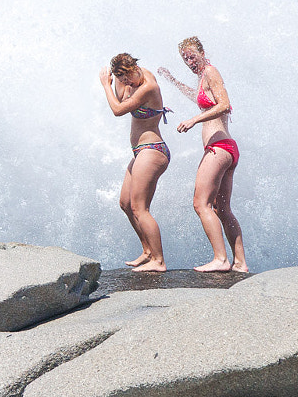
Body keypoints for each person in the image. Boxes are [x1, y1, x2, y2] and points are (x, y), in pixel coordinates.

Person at [159, 37, 247, 273]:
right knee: (222, 209)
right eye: (184, 58)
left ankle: (220, 259)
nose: (189, 61)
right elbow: (200, 98)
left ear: (202, 52)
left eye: (191, 56)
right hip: (226, 148)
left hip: (219, 149)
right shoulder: (203, 77)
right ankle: (240, 263)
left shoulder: (210, 71)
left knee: (201, 204)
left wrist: (194, 120)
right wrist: (173, 81)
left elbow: (224, 104)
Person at [100, 52, 172, 273]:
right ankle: (147, 251)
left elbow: (118, 110)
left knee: (139, 207)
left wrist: (105, 85)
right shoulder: (132, 81)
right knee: (125, 203)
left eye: (128, 78)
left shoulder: (148, 85)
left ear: (134, 68)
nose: (127, 84)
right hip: (140, 152)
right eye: (122, 80)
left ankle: (158, 261)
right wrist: (119, 84)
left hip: (153, 149)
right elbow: (122, 99)